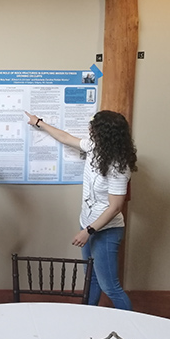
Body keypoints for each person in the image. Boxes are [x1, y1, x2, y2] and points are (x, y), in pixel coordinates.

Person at [25, 110, 137, 310]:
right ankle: (87, 319)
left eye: (93, 126)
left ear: (104, 133)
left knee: (110, 286)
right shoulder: (96, 148)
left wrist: (89, 231)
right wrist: (39, 123)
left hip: (105, 231)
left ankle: (133, 328)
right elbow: (66, 138)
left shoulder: (119, 166)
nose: (89, 128)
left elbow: (115, 207)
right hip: (88, 225)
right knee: (91, 280)